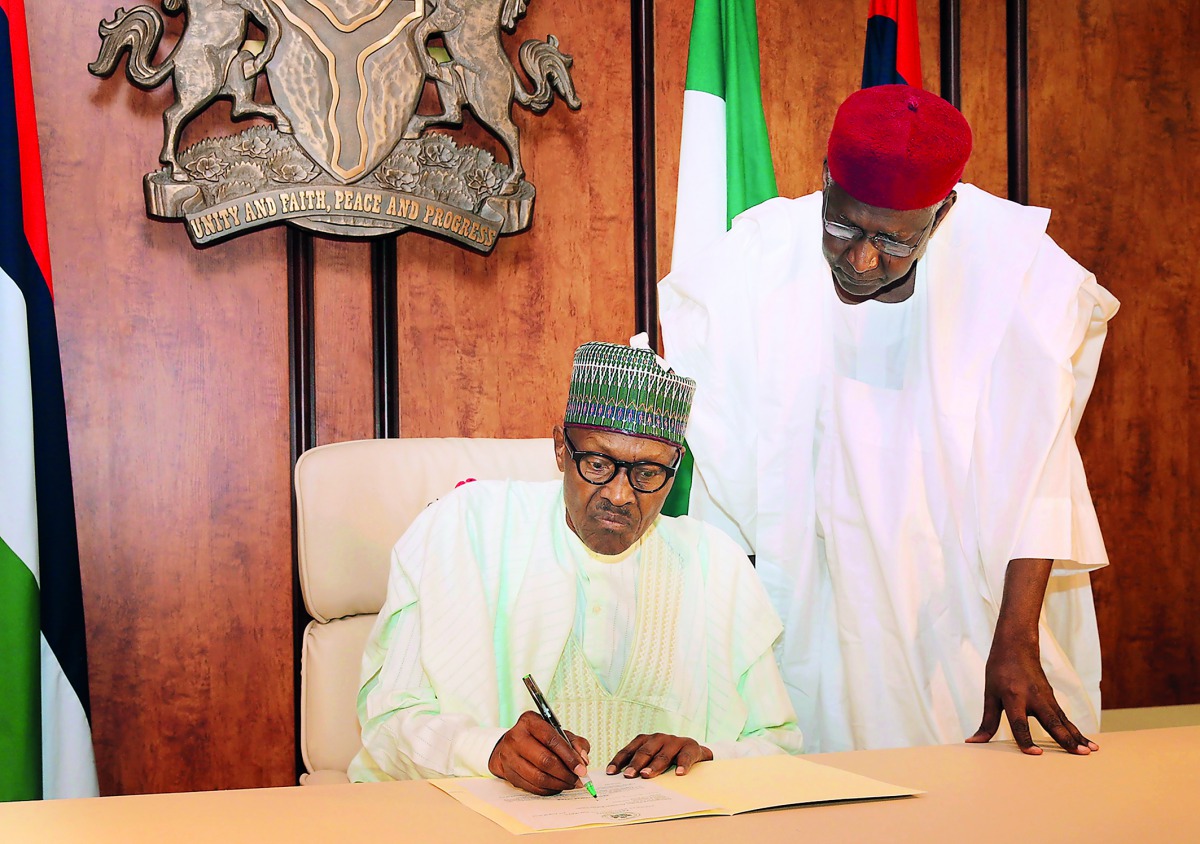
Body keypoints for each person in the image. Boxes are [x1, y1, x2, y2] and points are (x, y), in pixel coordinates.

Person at [658, 85, 1118, 756]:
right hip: (806, 599)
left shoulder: (1013, 271)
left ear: (943, 213)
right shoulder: (757, 260)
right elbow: (726, 480)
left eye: (893, 243)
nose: (860, 260)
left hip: (964, 607)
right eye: (841, 227)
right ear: (824, 182)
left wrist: (1016, 640)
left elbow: (1041, 471)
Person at [349, 337, 803, 794]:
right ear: (561, 449)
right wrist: (487, 751)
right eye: (599, 464)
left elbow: (779, 745)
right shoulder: (463, 529)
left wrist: (708, 756)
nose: (621, 496)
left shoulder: (715, 565)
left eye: (647, 473)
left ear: (675, 468)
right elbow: (389, 720)